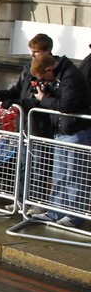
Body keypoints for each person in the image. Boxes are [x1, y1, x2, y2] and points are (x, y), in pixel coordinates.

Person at [28, 52, 91, 226]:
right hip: (63, 131)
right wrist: (48, 92)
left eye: (43, 77)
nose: (44, 80)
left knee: (74, 175)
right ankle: (55, 212)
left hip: (76, 132)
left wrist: (43, 99)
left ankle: (73, 217)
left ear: (49, 69)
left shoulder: (71, 76)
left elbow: (66, 105)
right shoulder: (60, 75)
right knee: (59, 175)